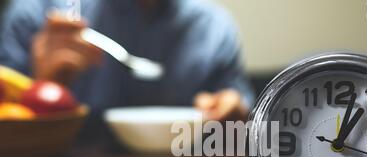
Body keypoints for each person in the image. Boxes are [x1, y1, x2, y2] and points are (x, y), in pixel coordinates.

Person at [0, 0, 254, 121]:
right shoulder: (35, 15)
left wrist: (230, 113)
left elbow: (238, 108)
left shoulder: (214, 27)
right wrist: (43, 88)